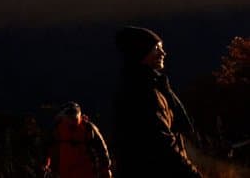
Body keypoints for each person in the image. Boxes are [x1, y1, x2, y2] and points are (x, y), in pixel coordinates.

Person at [113, 26, 202, 177]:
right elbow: (161, 144)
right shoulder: (143, 92)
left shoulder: (151, 87)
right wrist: (192, 173)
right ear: (140, 52)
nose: (163, 53)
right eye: (156, 48)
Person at [45, 101, 112, 178]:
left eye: (74, 115)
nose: (72, 119)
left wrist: (105, 169)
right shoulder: (57, 129)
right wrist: (45, 164)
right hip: (65, 172)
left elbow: (101, 149)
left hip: (85, 172)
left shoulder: (88, 128)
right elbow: (48, 147)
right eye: (70, 116)